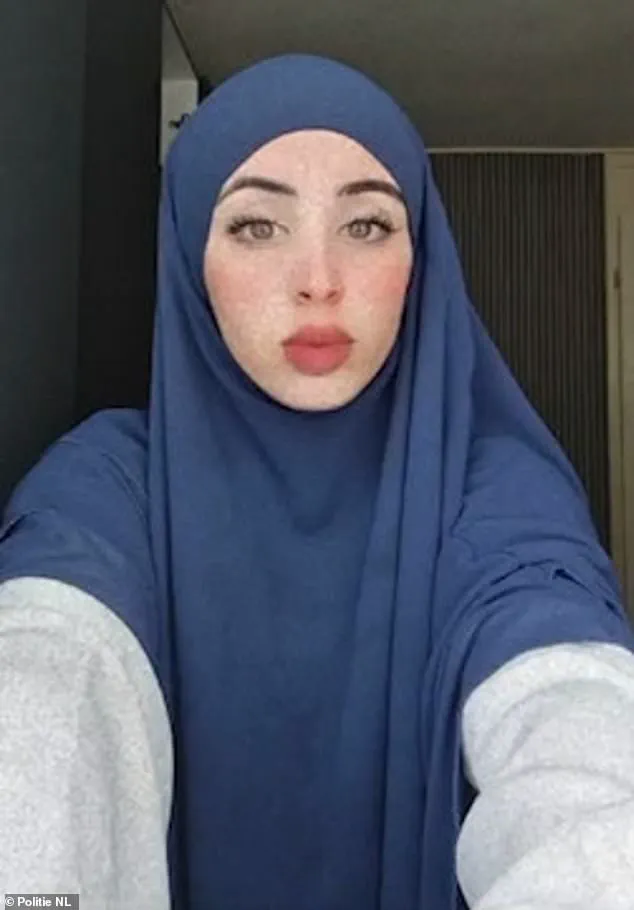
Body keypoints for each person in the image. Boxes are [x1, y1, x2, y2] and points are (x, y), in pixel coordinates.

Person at [1, 53, 634, 910]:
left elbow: (568, 707)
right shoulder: (109, 483)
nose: (319, 281)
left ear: (421, 262)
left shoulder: (495, 492)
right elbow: (48, 672)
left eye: (366, 225)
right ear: (188, 258)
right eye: (257, 227)